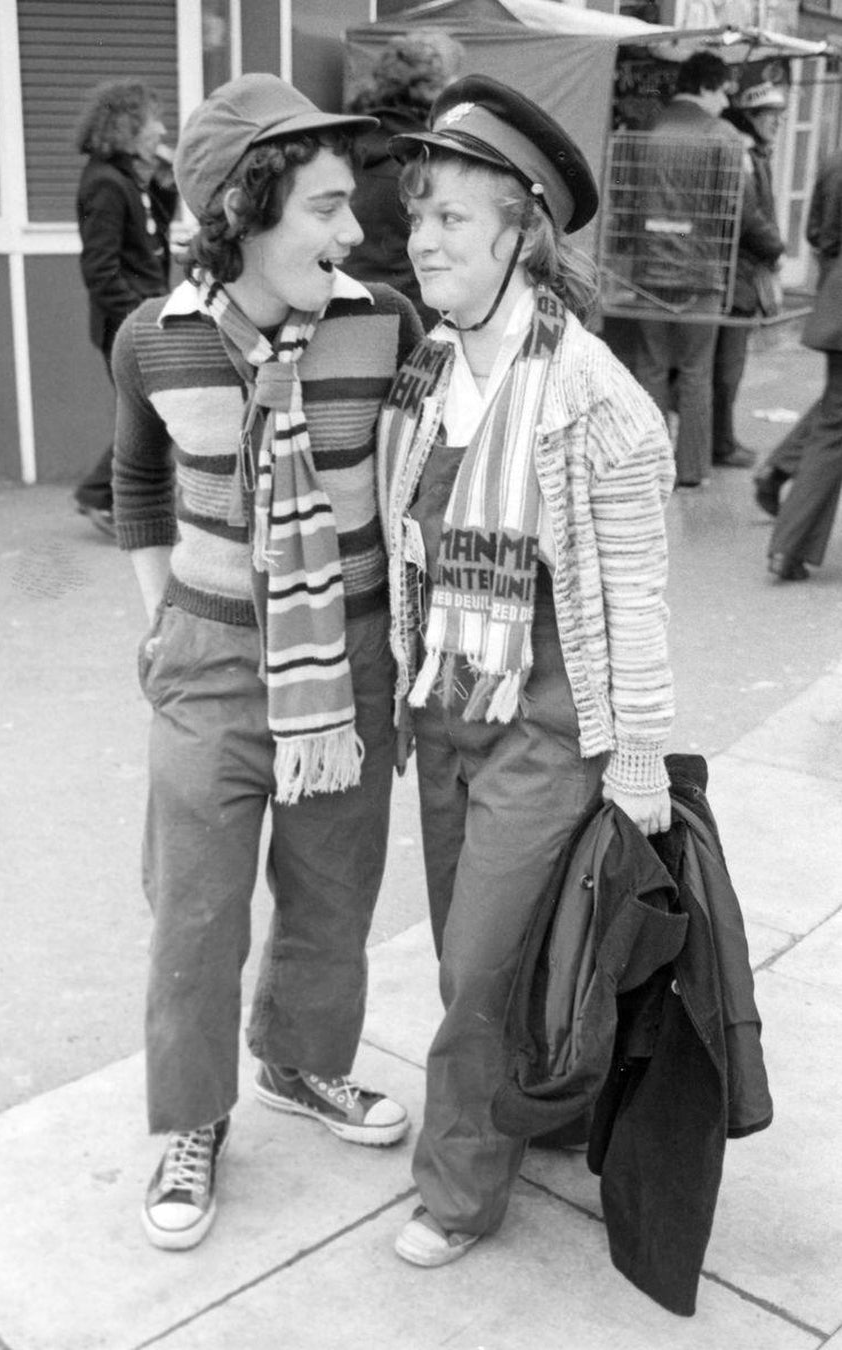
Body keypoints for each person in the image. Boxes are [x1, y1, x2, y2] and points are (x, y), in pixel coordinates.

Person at [111, 73, 423, 1251]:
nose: (354, 232)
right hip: (206, 657)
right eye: (328, 207)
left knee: (334, 889)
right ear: (245, 210)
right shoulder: (155, 341)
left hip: (346, 660)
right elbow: (140, 480)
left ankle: (301, 1062)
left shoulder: (385, 322)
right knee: (192, 911)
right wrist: (159, 616)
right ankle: (191, 1118)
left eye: (354, 209)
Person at [376, 74, 675, 1267]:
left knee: (477, 967)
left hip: (545, 729)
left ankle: (457, 1191)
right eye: (418, 213)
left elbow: (640, 602)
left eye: (454, 215)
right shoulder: (429, 375)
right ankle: (538, 1110)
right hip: (445, 715)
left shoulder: (597, 402)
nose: (424, 238)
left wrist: (639, 761)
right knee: (478, 950)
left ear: (524, 232)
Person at [633, 52, 744, 486]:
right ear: (708, 86)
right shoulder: (723, 134)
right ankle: (693, 470)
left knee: (651, 368)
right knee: (698, 371)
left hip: (646, 270)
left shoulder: (650, 129)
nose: (725, 103)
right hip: (702, 270)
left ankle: (646, 466)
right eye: (723, 93)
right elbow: (730, 207)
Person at [73, 80, 177, 537]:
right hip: (127, 322)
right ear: (128, 127)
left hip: (140, 313)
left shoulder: (124, 178)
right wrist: (138, 317)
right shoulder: (104, 184)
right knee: (150, 410)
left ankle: (107, 496)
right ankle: (99, 495)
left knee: (149, 411)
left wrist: (165, 185)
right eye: (152, 120)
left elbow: (151, 229)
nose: (161, 128)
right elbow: (99, 269)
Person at [344, 28, 463, 327]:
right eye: (454, 82)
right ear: (438, 93)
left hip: (340, 316)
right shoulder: (427, 165)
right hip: (410, 328)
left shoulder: (344, 147)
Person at [766, 148, 842, 581]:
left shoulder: (834, 160)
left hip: (836, 299)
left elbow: (819, 234)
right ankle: (788, 545)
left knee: (834, 417)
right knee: (834, 427)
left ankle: (791, 537)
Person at [711, 81, 786, 469]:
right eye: (770, 117)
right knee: (727, 369)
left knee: (728, 367)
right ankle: (720, 444)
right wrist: (776, 246)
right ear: (753, 118)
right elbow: (749, 215)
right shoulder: (743, 154)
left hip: (740, 275)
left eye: (778, 118)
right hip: (734, 276)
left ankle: (720, 439)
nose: (776, 124)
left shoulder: (756, 154)